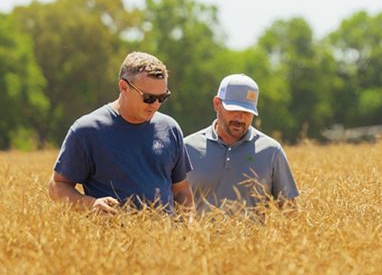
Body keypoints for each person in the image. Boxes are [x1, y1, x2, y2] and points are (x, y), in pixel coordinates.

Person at [48, 51, 194, 214]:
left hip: (163, 238)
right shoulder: (87, 130)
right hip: (112, 238)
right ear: (124, 87)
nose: (155, 104)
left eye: (162, 97)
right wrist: (90, 204)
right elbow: (57, 186)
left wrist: (187, 230)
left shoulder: (170, 128)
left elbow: (181, 191)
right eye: (148, 98)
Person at [184, 74, 299, 211]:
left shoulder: (272, 151)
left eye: (247, 112)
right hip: (197, 233)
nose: (240, 118)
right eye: (234, 110)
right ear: (216, 104)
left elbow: (289, 210)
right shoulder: (186, 148)